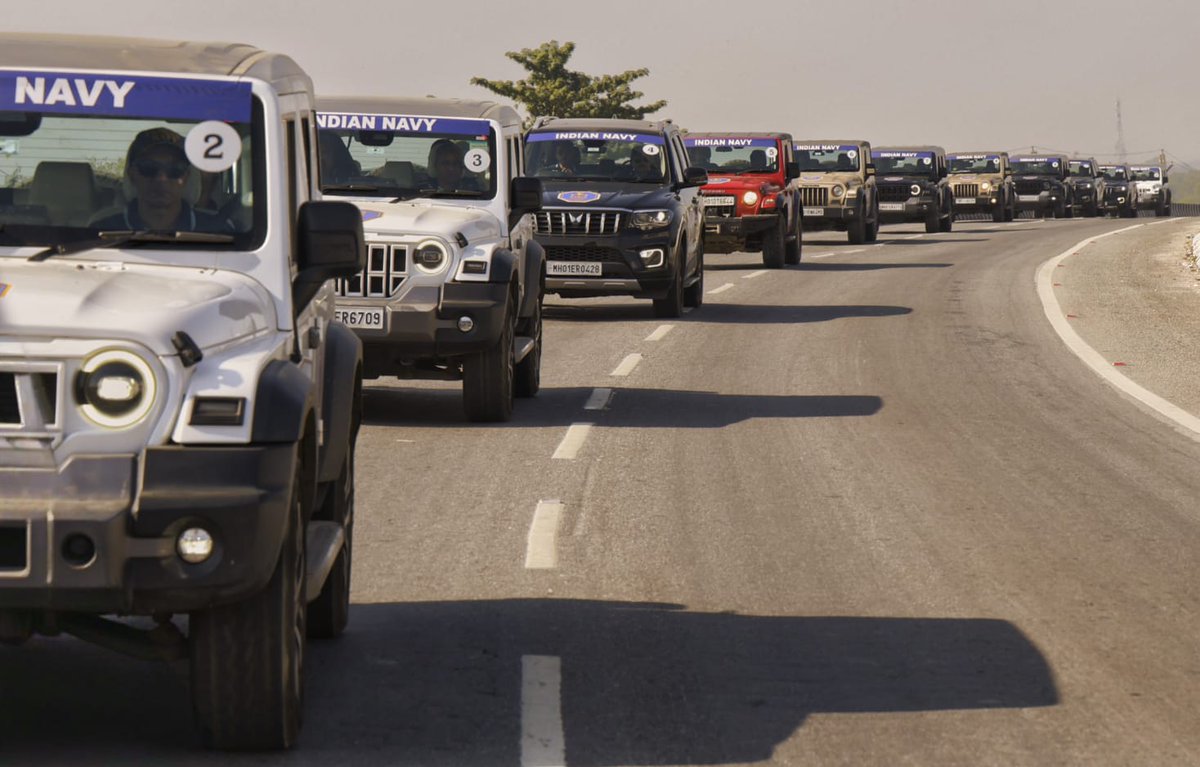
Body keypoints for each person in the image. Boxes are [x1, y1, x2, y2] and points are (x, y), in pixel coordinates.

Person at [94, 127, 231, 232]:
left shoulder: (220, 230)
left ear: (186, 176)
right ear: (132, 175)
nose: (162, 179)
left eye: (175, 169)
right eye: (148, 168)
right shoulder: (102, 229)